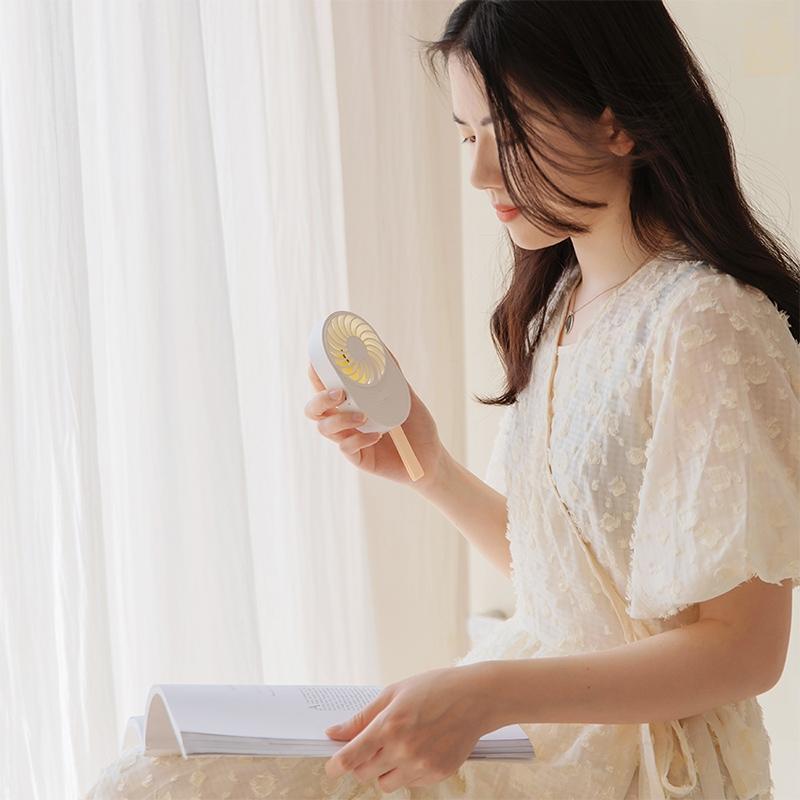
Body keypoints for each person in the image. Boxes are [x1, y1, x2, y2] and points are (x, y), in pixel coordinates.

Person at [83, 1, 800, 798]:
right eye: (467, 136)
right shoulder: (564, 306)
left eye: (506, 134)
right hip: (533, 723)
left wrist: (485, 694)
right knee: (160, 768)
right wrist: (429, 469)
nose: (480, 174)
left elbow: (744, 651)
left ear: (617, 125)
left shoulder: (706, 323)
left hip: (625, 757)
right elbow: (572, 590)